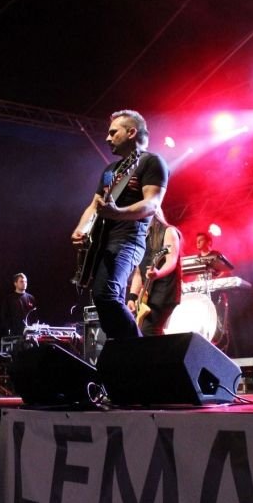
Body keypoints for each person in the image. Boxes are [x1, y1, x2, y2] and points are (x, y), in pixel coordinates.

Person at [71, 110, 168, 339]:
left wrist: (118, 212)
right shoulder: (109, 171)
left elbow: (152, 204)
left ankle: (137, 348)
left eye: (113, 132)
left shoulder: (151, 162)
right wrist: (81, 229)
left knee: (105, 294)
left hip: (128, 240)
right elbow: (95, 205)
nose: (107, 138)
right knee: (102, 299)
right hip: (101, 243)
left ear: (131, 132)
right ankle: (122, 346)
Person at [127, 207, 182, 336]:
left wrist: (158, 273)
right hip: (147, 293)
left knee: (149, 330)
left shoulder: (169, 231)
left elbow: (171, 261)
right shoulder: (142, 239)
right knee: (143, 332)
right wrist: (132, 298)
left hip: (164, 289)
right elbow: (138, 273)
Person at [0, 272, 37, 337]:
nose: (24, 283)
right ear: (15, 283)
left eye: (25, 282)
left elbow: (35, 316)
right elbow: (5, 316)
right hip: (15, 333)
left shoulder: (31, 298)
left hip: (29, 333)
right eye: (21, 281)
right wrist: (9, 329)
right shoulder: (9, 299)